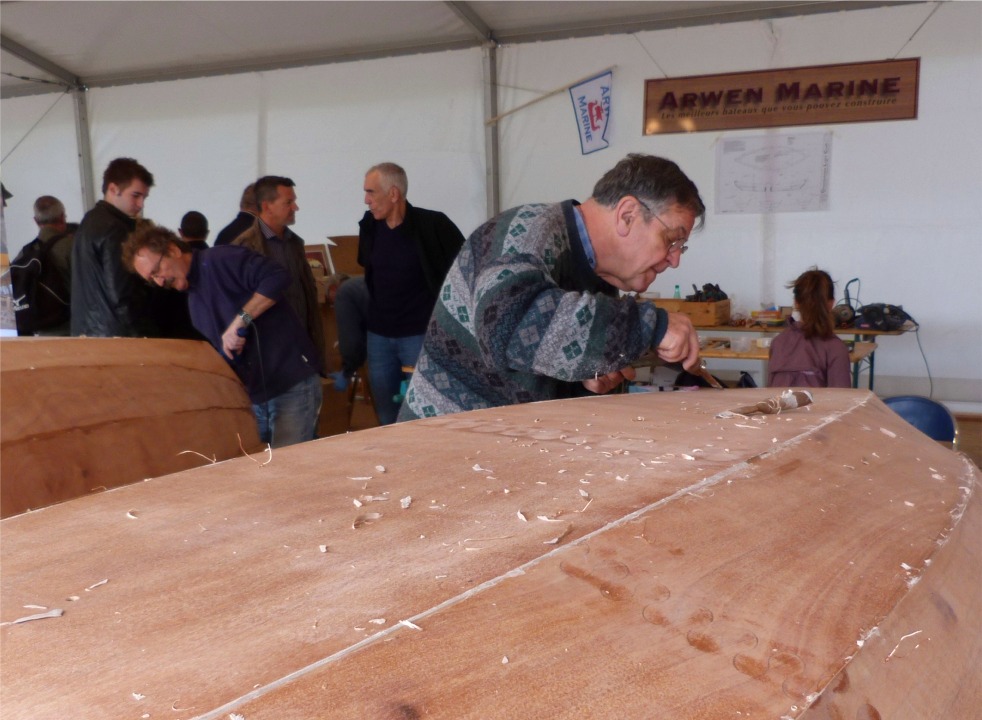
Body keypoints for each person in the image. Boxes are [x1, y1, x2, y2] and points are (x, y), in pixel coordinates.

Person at [398, 153, 705, 421]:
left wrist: (585, 377)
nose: (674, 259)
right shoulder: (526, 232)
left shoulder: (599, 280)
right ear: (627, 215)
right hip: (441, 449)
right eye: (672, 240)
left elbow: (540, 359)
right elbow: (510, 329)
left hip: (497, 451)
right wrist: (653, 324)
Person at [122, 225, 322, 448]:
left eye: (157, 270)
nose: (160, 282)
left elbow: (276, 276)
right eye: (152, 279)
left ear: (173, 250)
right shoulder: (194, 301)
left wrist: (241, 319)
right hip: (257, 397)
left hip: (290, 385)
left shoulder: (221, 259)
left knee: (290, 470)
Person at [359, 162, 465, 424]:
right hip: (379, 336)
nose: (366, 200)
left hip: (419, 335)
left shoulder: (433, 225)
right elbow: (369, 272)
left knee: (425, 412)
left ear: (393, 194)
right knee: (386, 413)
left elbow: (465, 268)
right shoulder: (369, 226)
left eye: (371, 192)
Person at [231, 176, 326, 376]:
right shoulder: (245, 247)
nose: (296, 207)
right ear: (267, 206)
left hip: (302, 347)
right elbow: (238, 303)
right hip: (268, 354)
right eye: (288, 202)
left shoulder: (295, 243)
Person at [71, 157, 155, 337]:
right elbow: (121, 292)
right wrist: (141, 332)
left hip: (87, 329)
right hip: (114, 333)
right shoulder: (115, 229)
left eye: (144, 197)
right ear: (113, 189)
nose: (141, 205)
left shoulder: (90, 220)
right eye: (135, 195)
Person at [768, 268, 851, 388]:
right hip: (819, 407)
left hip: (781, 407)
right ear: (831, 304)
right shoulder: (836, 348)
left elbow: (771, 394)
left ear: (796, 303)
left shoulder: (778, 342)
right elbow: (842, 401)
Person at [10, 196, 76, 336]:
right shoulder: (72, 247)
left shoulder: (26, 252)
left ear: (36, 221)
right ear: (62, 217)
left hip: (36, 330)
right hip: (69, 327)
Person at [329, 275, 370, 392]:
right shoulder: (362, 283)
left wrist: (347, 371)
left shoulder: (344, 294)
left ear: (333, 289)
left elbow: (351, 340)